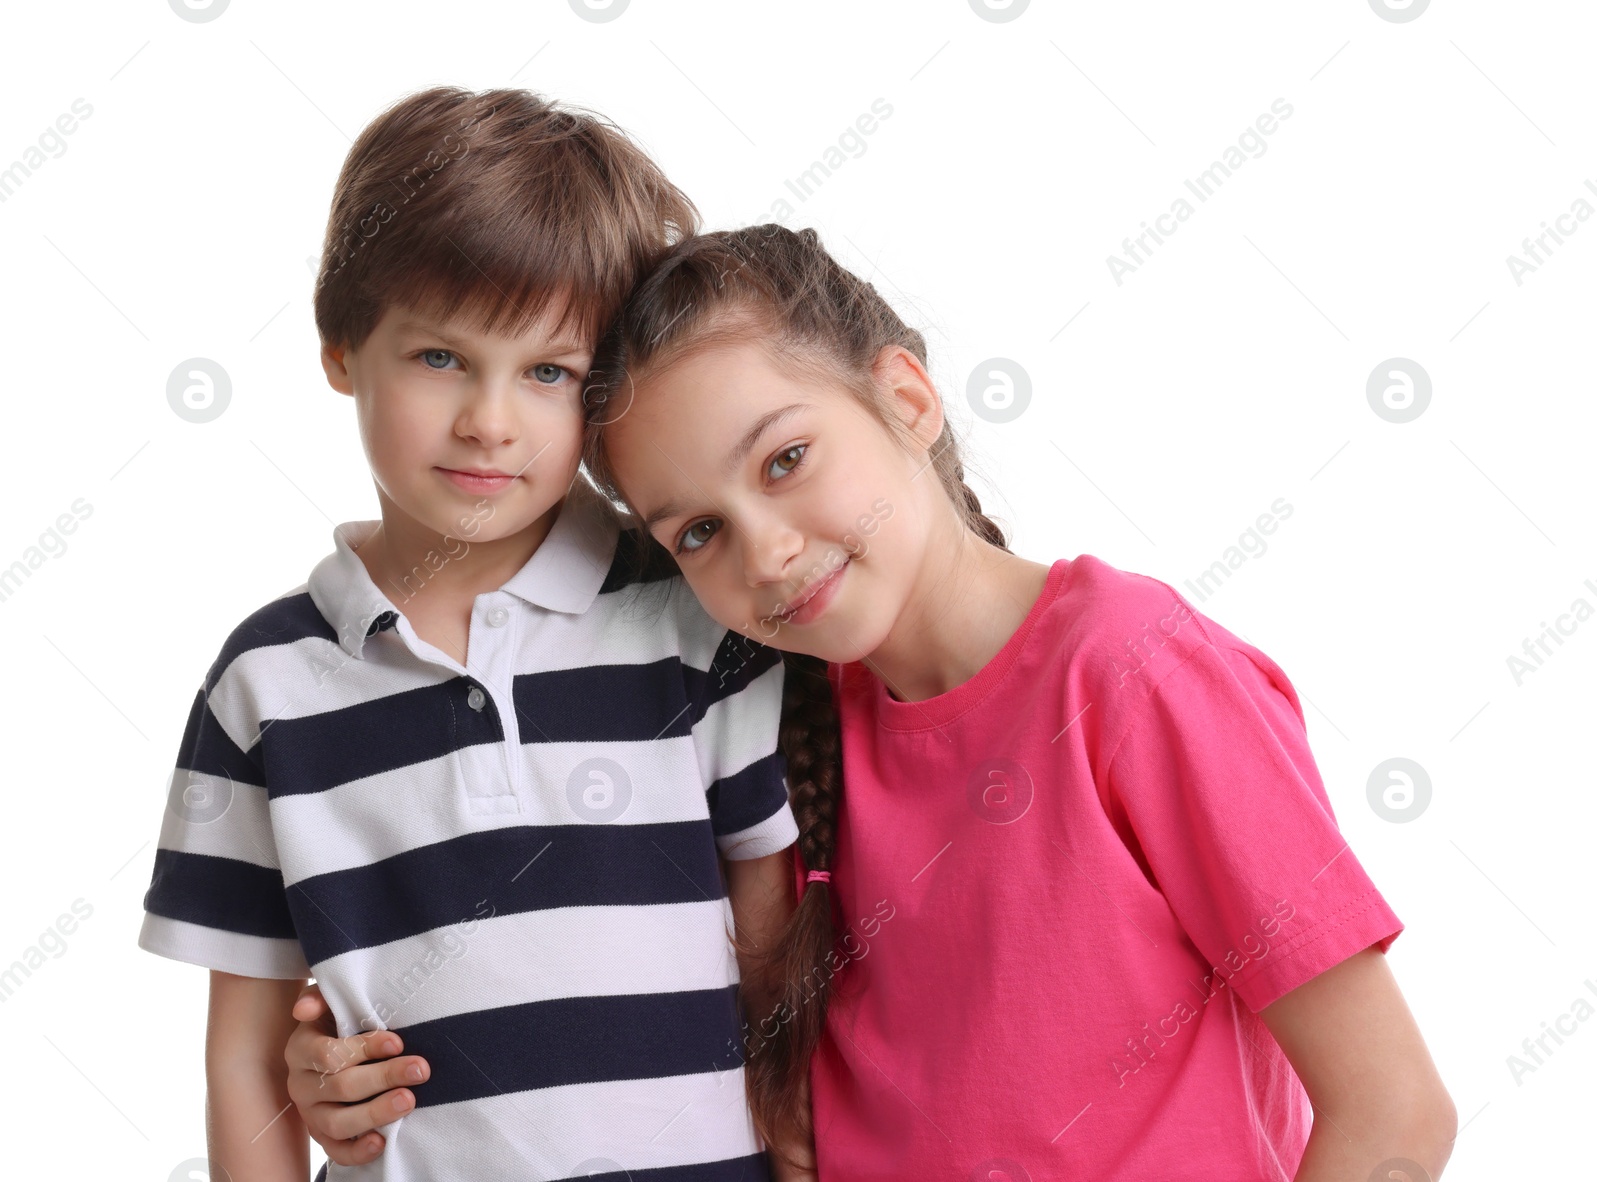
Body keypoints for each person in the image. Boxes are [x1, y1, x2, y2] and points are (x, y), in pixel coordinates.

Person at [287, 224, 1458, 1181]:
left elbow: (1395, 1123)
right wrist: (350, 1072)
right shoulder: (777, 726)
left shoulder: (1130, 674)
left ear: (905, 397)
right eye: (698, 531)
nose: (768, 550)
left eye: (785, 459)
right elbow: (590, 987)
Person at [138, 93, 808, 1181]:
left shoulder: (687, 618)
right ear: (342, 347)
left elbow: (773, 955)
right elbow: (245, 1065)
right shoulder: (264, 685)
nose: (489, 421)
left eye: (546, 372)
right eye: (440, 357)